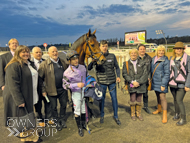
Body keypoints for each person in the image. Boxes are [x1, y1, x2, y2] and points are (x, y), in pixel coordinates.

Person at [3, 45, 42, 142]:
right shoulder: (14, 65)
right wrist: (19, 100)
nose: (26, 54)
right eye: (23, 52)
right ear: (18, 53)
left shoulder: (29, 63)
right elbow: (13, 85)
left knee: (29, 116)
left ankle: (32, 136)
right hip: (22, 96)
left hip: (30, 94)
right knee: (25, 118)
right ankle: (29, 138)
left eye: (27, 52)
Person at [88, 40, 121, 125]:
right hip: (101, 82)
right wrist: (92, 62)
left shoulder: (112, 56)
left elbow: (117, 67)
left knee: (114, 99)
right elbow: (89, 68)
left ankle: (116, 116)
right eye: (103, 46)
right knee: (101, 100)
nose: (104, 47)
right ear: (100, 47)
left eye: (106, 46)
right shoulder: (97, 57)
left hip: (112, 82)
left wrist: (118, 76)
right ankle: (102, 115)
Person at [38, 46, 68, 129]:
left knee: (63, 105)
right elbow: (40, 79)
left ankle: (62, 119)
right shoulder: (44, 64)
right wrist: (43, 90)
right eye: (52, 52)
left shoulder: (63, 62)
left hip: (63, 89)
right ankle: (56, 121)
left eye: (56, 51)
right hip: (51, 90)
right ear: (48, 53)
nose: (55, 53)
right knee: (53, 107)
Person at [62, 50, 87, 137]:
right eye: (73, 59)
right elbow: (65, 85)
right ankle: (79, 127)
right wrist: (76, 85)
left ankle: (84, 124)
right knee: (77, 111)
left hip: (84, 91)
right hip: (76, 93)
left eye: (77, 58)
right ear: (69, 61)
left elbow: (85, 78)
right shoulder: (67, 72)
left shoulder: (83, 67)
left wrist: (88, 85)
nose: (76, 60)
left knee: (83, 109)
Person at [122, 49, 148, 121]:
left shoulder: (143, 63)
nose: (133, 54)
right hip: (132, 84)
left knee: (139, 99)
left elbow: (145, 74)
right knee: (132, 99)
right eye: (132, 53)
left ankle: (138, 113)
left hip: (141, 84)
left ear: (137, 54)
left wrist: (138, 82)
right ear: (130, 54)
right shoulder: (126, 63)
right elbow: (124, 74)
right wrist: (132, 82)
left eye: (135, 53)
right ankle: (133, 113)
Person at [169, 42, 190, 126]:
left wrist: (187, 85)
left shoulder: (188, 58)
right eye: (177, 48)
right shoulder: (171, 58)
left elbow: (189, 72)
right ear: (174, 50)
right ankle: (177, 114)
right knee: (175, 99)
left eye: (180, 48)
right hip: (173, 83)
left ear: (183, 49)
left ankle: (183, 119)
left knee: (179, 100)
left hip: (182, 84)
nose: (179, 50)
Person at [151, 45, 170, 123]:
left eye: (163, 50)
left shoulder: (165, 60)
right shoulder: (153, 59)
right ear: (157, 51)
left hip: (162, 82)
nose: (161, 52)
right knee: (157, 95)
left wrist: (163, 84)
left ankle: (164, 115)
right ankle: (159, 109)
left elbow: (167, 73)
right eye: (159, 50)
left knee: (163, 97)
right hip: (155, 81)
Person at [31, 47, 49, 127]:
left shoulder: (46, 62)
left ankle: (48, 118)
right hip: (36, 88)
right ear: (32, 54)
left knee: (48, 103)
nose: (39, 54)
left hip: (45, 87)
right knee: (38, 105)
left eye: (40, 52)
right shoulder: (30, 64)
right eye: (37, 52)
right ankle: (40, 119)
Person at [137, 44, 152, 114]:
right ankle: (137, 108)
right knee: (137, 94)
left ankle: (146, 106)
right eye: (141, 49)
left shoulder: (149, 58)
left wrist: (149, 77)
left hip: (146, 79)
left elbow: (150, 69)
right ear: (138, 50)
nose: (142, 50)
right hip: (138, 79)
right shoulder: (135, 57)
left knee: (145, 94)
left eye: (143, 49)